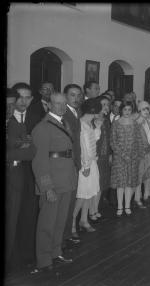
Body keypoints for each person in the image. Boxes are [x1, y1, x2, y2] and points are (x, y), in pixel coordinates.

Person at [31, 93, 77, 273]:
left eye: (64, 104)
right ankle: (43, 260)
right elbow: (40, 161)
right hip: (53, 183)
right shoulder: (42, 127)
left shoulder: (63, 122)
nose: (61, 107)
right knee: (47, 223)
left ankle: (55, 252)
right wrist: (47, 187)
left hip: (66, 180)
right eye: (57, 103)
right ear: (49, 105)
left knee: (60, 221)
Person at [5, 87, 36, 273]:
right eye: (7, 105)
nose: (9, 108)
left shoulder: (16, 124)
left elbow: (32, 150)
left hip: (16, 176)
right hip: (13, 171)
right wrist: (18, 150)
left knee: (13, 219)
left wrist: (19, 149)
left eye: (10, 105)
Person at [110, 102, 149, 216]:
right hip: (119, 158)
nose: (127, 112)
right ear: (121, 110)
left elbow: (139, 140)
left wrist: (140, 154)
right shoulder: (116, 124)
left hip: (133, 157)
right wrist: (122, 154)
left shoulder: (135, 124)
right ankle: (120, 206)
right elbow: (113, 141)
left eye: (129, 109)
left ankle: (127, 205)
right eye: (125, 109)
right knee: (120, 183)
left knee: (130, 183)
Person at [73, 98, 103, 236]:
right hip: (85, 164)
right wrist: (85, 166)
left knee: (90, 194)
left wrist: (97, 127)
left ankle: (84, 220)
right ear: (94, 111)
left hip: (92, 162)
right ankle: (72, 222)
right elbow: (83, 148)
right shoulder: (82, 124)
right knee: (82, 195)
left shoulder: (89, 124)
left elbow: (93, 141)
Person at [62, 84, 83, 247]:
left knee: (71, 201)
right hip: (67, 163)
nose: (76, 98)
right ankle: (62, 236)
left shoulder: (78, 112)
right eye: (72, 95)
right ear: (65, 96)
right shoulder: (63, 113)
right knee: (65, 202)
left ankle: (67, 233)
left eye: (78, 95)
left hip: (76, 162)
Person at [96, 95, 112, 214]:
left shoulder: (107, 121)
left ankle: (97, 208)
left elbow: (109, 138)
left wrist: (111, 153)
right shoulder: (93, 120)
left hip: (106, 156)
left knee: (103, 183)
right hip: (96, 157)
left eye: (107, 104)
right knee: (96, 184)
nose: (106, 107)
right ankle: (92, 210)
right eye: (103, 104)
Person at [134, 101, 150, 207]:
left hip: (148, 152)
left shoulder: (147, 121)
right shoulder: (137, 122)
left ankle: (146, 194)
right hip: (140, 154)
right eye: (143, 109)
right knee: (139, 176)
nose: (146, 111)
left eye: (147, 109)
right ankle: (137, 198)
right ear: (139, 110)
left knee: (147, 174)